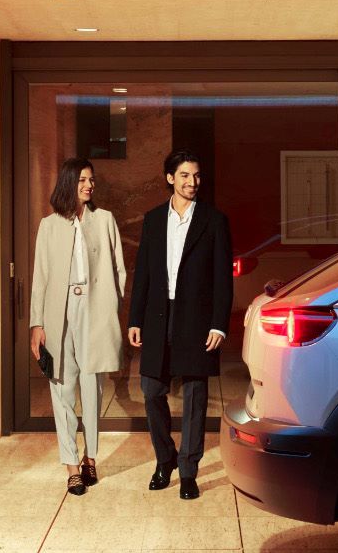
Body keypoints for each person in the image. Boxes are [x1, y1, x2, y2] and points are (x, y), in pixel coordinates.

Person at [127, 149, 232, 501]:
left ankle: (189, 471)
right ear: (170, 178)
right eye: (185, 175)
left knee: (194, 396)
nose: (192, 182)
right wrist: (135, 319)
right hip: (158, 316)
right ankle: (165, 459)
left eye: (197, 176)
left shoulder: (214, 221)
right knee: (151, 390)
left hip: (197, 319)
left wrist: (219, 324)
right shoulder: (154, 219)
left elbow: (222, 279)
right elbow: (142, 272)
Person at [29, 158, 127, 496]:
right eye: (83, 180)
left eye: (91, 180)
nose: (89, 185)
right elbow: (40, 278)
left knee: (92, 386)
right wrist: (37, 323)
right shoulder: (49, 226)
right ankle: (71, 465)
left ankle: (91, 457)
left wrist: (117, 305)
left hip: (95, 309)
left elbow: (119, 268)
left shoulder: (105, 220)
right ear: (69, 183)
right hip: (60, 311)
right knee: (62, 387)